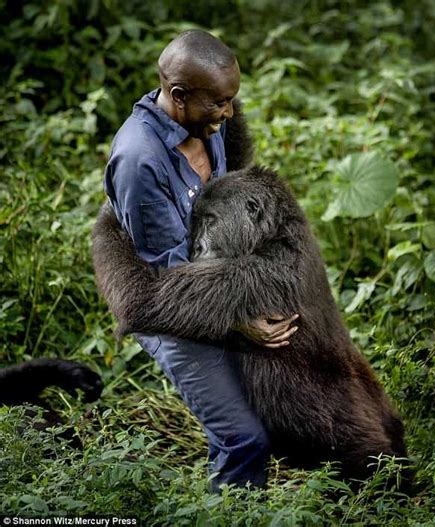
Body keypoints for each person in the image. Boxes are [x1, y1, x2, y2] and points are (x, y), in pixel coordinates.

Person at [103, 30, 298, 492]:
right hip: (172, 307)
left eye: (232, 102)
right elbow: (168, 276)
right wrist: (241, 320)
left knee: (272, 415)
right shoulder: (139, 161)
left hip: (216, 281)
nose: (229, 114)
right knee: (243, 438)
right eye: (219, 104)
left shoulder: (207, 119)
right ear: (178, 95)